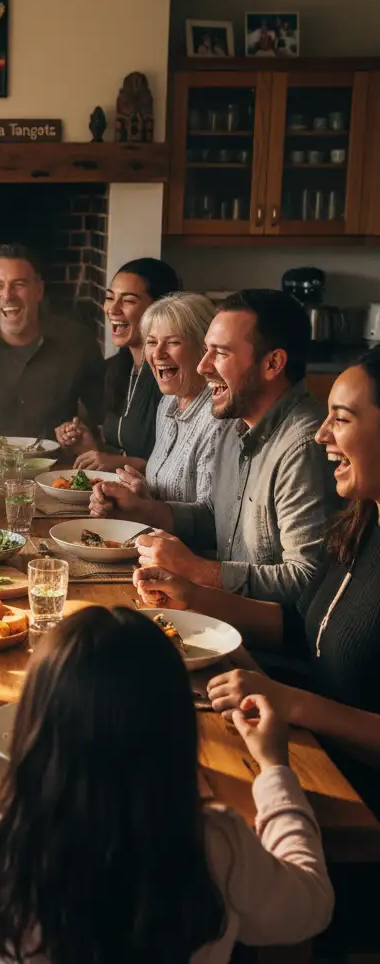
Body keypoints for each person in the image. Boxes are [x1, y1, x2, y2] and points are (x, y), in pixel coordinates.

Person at [0, 606, 333, 962]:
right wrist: (275, 768)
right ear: (179, 732)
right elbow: (310, 907)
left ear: (34, 729)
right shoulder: (217, 843)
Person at [135, 348, 380, 816]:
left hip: (352, 806)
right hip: (296, 746)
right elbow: (301, 627)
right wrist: (195, 597)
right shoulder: (363, 523)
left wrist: (293, 704)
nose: (322, 434)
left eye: (342, 420)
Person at [91, 290, 336, 605]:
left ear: (273, 363)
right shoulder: (239, 422)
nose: (203, 366)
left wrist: (198, 570)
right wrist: (144, 509)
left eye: (220, 353)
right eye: (206, 351)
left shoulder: (304, 445)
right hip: (218, 611)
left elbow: (307, 582)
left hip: (261, 640)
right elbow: (214, 520)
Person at [0, 244, 105, 446]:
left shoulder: (77, 342)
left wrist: (80, 431)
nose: (7, 295)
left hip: (55, 472)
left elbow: (102, 419)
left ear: (39, 291)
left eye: (18, 285)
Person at [86, 293, 224, 504]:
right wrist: (139, 492)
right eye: (151, 342)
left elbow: (211, 519)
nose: (158, 353)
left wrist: (144, 507)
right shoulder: (168, 403)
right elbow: (162, 492)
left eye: (173, 342)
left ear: (203, 349)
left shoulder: (218, 419)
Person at [55, 258, 181, 471]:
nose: (112, 309)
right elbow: (122, 450)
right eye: (110, 298)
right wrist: (89, 447)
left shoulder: (173, 376)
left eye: (128, 301)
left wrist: (122, 463)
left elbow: (182, 469)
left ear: (160, 308)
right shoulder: (119, 368)